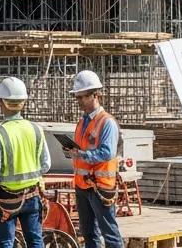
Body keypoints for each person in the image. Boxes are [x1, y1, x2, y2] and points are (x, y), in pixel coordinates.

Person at [0, 76, 50, 248]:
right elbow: (46, 165)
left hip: (6, 201)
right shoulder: (36, 129)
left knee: (5, 243)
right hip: (33, 197)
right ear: (23, 102)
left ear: (1, 103)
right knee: (35, 241)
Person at [65, 70, 123, 248]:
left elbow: (107, 153)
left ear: (95, 95)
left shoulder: (107, 123)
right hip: (83, 185)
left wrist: (81, 154)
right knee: (89, 234)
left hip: (100, 186)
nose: (79, 101)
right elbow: (83, 149)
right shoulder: (83, 122)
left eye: (82, 97)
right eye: (77, 97)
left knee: (110, 235)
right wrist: (72, 151)